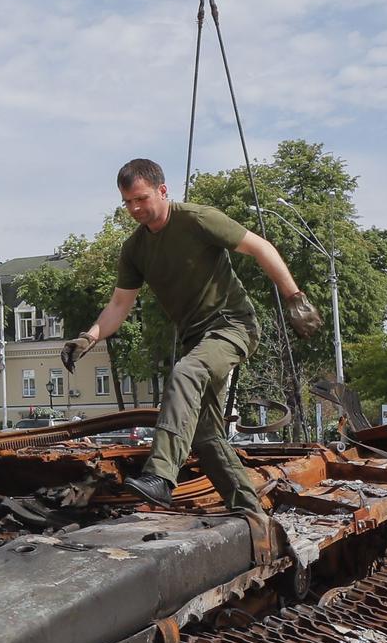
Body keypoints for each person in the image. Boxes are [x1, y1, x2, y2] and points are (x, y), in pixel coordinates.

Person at [62, 158, 321, 512]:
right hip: (196, 340)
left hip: (233, 325)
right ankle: (250, 511)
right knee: (206, 434)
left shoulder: (198, 220)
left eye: (142, 198)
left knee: (186, 371)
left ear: (162, 191)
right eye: (128, 202)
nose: (135, 208)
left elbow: (260, 247)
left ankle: (160, 477)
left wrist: (295, 298)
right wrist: (88, 337)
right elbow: (119, 306)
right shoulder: (135, 249)